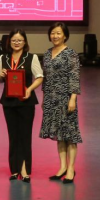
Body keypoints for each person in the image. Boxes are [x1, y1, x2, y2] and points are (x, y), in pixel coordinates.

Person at [0, 29, 43, 183]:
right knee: (13, 135)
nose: (16, 43)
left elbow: (40, 77)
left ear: (25, 42)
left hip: (26, 101)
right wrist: (1, 75)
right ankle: (14, 170)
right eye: (14, 40)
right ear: (9, 42)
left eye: (20, 40)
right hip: (8, 101)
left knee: (25, 135)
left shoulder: (32, 57)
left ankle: (25, 169)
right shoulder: (3, 57)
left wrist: (29, 89)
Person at [39, 22, 82, 184]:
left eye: (58, 33)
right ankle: (62, 166)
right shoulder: (47, 53)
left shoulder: (71, 53)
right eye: (53, 33)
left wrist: (73, 98)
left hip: (66, 98)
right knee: (59, 134)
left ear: (65, 35)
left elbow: (74, 77)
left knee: (70, 134)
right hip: (51, 98)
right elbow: (46, 78)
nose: (55, 36)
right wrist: (44, 98)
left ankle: (71, 168)